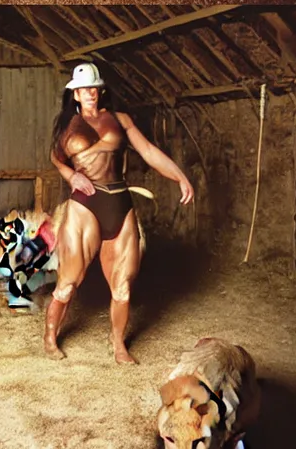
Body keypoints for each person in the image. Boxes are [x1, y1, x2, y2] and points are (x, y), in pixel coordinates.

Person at [44, 63, 195, 362]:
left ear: (100, 91)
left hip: (119, 202)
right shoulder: (66, 125)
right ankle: (50, 336)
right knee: (70, 281)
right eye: (83, 89)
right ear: (74, 94)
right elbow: (55, 155)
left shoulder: (119, 119)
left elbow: (149, 151)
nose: (89, 93)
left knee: (123, 284)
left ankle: (118, 345)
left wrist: (180, 176)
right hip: (84, 204)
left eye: (93, 88)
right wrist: (70, 174)